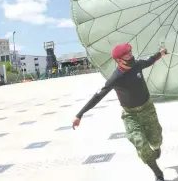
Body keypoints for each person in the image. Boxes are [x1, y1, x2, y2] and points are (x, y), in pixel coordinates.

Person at [72, 44, 168, 181]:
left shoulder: (137, 65)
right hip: (131, 115)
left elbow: (150, 60)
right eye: (127, 55)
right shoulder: (116, 78)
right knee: (140, 143)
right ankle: (158, 173)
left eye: (130, 52)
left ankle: (157, 148)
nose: (130, 55)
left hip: (147, 109)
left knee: (156, 139)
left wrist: (161, 53)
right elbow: (98, 96)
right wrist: (79, 114)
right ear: (119, 60)